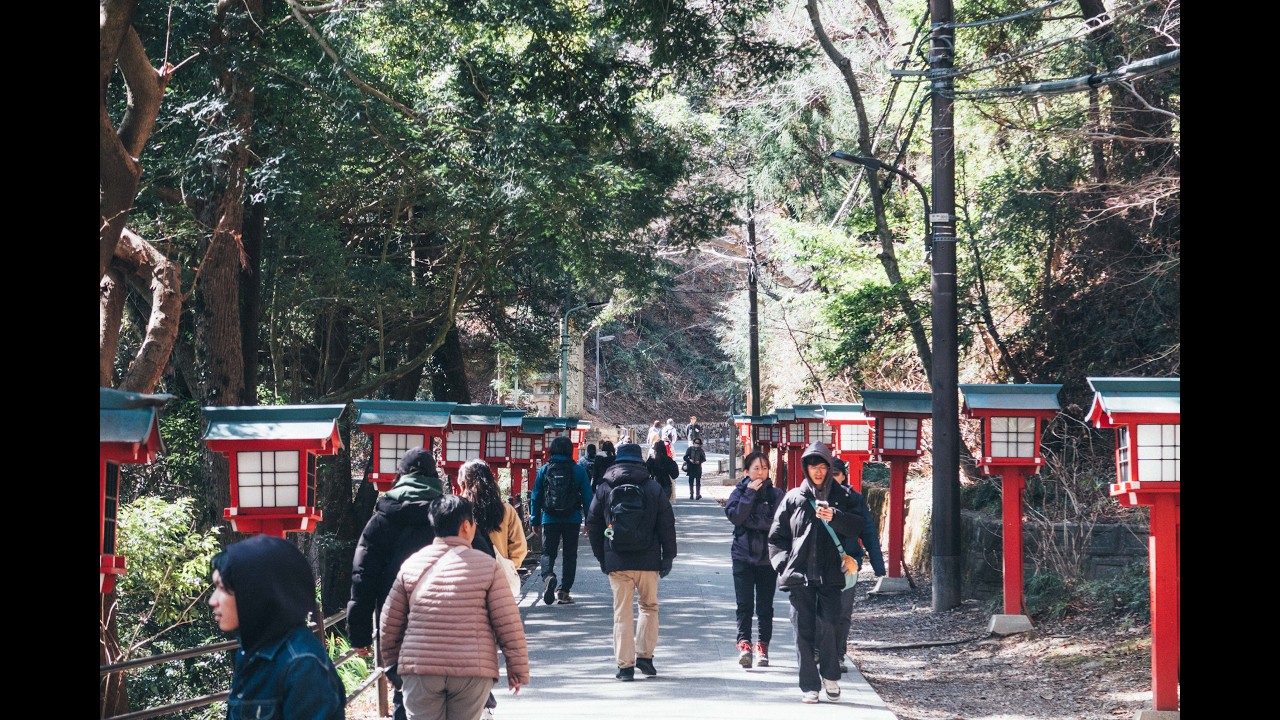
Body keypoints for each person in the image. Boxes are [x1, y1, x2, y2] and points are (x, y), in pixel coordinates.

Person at [380, 495, 530, 720]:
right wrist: (516, 669)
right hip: (472, 670)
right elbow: (507, 621)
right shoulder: (487, 567)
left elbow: (390, 622)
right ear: (466, 526)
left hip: (421, 668)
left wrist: (392, 664)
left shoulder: (411, 565)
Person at [346, 446, 445, 720]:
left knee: (405, 691)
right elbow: (482, 559)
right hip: (446, 616)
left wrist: (360, 634)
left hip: (395, 619)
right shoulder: (449, 515)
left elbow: (362, 578)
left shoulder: (381, 521)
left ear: (399, 477)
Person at [768, 442, 865, 704]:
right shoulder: (793, 498)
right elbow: (776, 537)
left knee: (829, 627)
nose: (819, 471)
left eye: (823, 466)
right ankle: (809, 685)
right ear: (806, 468)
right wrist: (782, 564)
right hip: (799, 576)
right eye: (814, 466)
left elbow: (858, 525)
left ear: (830, 468)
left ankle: (830, 675)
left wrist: (835, 516)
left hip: (832, 575)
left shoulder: (844, 497)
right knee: (802, 632)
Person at [209, 535, 345, 720]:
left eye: (222, 588)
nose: (212, 600)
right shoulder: (253, 648)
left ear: (255, 591)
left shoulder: (302, 665)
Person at [584, 442, 677, 681]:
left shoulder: (605, 487)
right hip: (648, 560)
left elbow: (593, 524)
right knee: (649, 607)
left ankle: (625, 666)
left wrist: (602, 557)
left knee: (622, 613)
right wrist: (668, 556)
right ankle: (645, 656)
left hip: (617, 559)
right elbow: (666, 523)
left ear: (617, 461)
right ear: (641, 461)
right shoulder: (653, 487)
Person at [723, 450, 784, 669]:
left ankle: (763, 647)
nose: (760, 473)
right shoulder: (739, 493)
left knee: (765, 606)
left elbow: (777, 524)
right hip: (742, 556)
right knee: (744, 604)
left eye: (764, 468)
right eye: (756, 468)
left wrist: (751, 521)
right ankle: (744, 645)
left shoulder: (777, 495)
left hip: (768, 559)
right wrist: (748, 495)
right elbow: (736, 517)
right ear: (746, 471)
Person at [830, 457, 886, 674]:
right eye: (829, 474)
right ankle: (819, 649)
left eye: (836, 474)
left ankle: (838, 654)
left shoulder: (854, 499)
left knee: (843, 611)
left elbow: (869, 531)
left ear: (844, 476)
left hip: (849, 562)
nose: (833, 479)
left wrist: (879, 566)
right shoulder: (817, 499)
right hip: (822, 562)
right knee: (821, 610)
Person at [530, 435, 594, 605]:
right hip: (572, 518)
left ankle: (548, 576)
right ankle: (564, 591)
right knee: (569, 555)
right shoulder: (578, 470)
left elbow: (536, 496)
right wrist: (588, 521)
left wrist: (534, 520)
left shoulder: (544, 470)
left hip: (549, 518)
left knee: (548, 553)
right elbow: (588, 497)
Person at [646, 438, 680, 503]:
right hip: (666, 484)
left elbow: (646, 472)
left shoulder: (651, 460)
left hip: (653, 484)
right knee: (664, 506)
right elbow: (675, 475)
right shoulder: (668, 460)